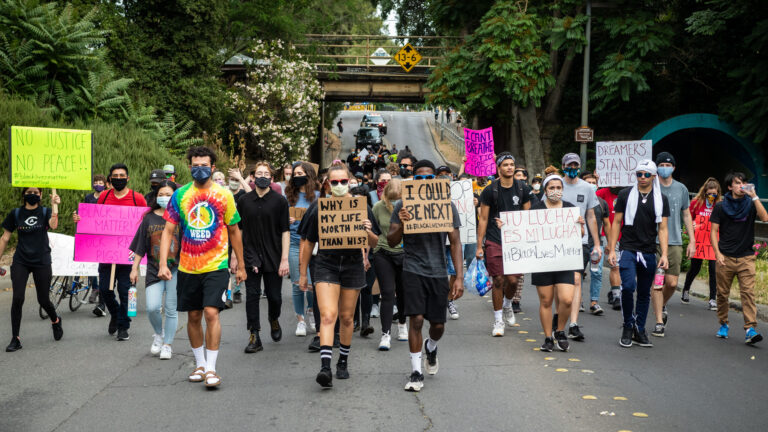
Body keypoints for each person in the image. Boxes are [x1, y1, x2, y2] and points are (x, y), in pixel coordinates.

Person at [158, 146, 246, 389]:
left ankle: (211, 368)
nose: (200, 170)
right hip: (187, 266)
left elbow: (235, 230)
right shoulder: (180, 195)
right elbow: (168, 230)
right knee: (194, 315)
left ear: (213, 167)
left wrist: (240, 264)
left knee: (211, 313)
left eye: (204, 166)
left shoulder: (224, 195)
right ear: (189, 167)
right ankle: (199, 363)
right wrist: (164, 262)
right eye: (195, 166)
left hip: (216, 265)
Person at [299, 164, 380, 388]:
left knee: (346, 318)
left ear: (350, 182)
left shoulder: (362, 207)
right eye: (334, 182)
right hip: (326, 264)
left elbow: (375, 242)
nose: (339, 186)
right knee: (327, 315)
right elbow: (307, 243)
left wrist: (367, 230)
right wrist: (304, 274)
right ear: (327, 184)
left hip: (353, 265)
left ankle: (342, 361)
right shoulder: (318, 208)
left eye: (343, 181)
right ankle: (325, 367)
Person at [388, 160, 464, 392]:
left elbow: (455, 242)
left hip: (438, 271)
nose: (423, 181)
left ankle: (431, 346)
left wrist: (458, 277)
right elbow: (391, 240)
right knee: (417, 319)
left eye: (428, 177)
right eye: (418, 177)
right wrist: (401, 222)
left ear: (435, 180)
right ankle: (416, 371)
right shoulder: (402, 204)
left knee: (438, 324)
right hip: (412, 268)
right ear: (412, 180)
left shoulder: (447, 206)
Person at [80, 163, 148, 341]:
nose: (119, 179)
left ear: (128, 178)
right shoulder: (103, 196)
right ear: (110, 179)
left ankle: (123, 327)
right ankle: (116, 314)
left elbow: (145, 224)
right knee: (105, 290)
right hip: (106, 255)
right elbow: (94, 220)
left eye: (122, 175)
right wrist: (80, 219)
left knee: (125, 291)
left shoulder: (137, 198)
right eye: (115, 176)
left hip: (128, 257)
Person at [607, 160, 669, 348]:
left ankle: (639, 329)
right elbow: (617, 222)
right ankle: (627, 325)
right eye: (639, 174)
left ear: (653, 176)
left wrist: (664, 254)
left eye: (646, 174)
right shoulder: (626, 194)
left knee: (644, 292)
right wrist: (611, 249)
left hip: (648, 250)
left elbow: (663, 228)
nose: (642, 178)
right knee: (627, 286)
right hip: (628, 248)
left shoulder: (660, 198)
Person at [237, 162, 291, 353]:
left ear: (271, 178)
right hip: (250, 255)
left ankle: (273, 318)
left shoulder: (280, 201)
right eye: (258, 173)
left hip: (273, 255)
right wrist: (237, 258)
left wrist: (284, 259)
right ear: (252, 178)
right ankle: (254, 334)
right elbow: (238, 230)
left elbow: (285, 231)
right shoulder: (244, 201)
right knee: (251, 296)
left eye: (265, 173)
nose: (261, 176)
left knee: (274, 297)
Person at [1, 188, 63, 352]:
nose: (33, 194)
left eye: (36, 192)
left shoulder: (44, 211)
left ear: (41, 195)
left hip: (42, 260)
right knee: (18, 298)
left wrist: (54, 206)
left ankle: (55, 320)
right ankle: (15, 338)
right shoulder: (15, 214)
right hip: (21, 261)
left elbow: (54, 225)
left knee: (43, 300)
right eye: (29, 191)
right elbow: (5, 238)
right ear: (23, 194)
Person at [476, 152, 530, 337]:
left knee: (513, 280)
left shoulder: (523, 189)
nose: (509, 167)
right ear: (498, 168)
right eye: (505, 164)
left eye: (512, 164)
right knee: (498, 279)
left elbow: (528, 217)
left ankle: (508, 304)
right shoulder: (490, 190)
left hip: (516, 242)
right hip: (495, 239)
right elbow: (483, 218)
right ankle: (498, 320)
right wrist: (478, 246)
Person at [710, 172, 768, 344]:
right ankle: (723, 324)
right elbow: (714, 231)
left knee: (748, 293)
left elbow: (765, 218)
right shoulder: (721, 206)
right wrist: (717, 253)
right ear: (730, 187)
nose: (741, 185)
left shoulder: (751, 204)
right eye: (737, 183)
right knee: (722, 294)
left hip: (746, 257)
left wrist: (755, 196)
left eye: (744, 182)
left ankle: (750, 329)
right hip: (725, 257)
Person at [531, 176, 584, 352]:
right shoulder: (536, 209)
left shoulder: (570, 209)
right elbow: (525, 232)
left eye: (558, 187)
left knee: (567, 299)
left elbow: (580, 234)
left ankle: (560, 330)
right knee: (546, 300)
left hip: (565, 261)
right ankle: (548, 337)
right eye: (551, 187)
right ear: (545, 190)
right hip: (543, 262)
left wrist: (581, 226)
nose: (555, 190)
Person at [129, 181, 180, 359]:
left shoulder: (181, 216)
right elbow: (140, 246)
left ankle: (167, 344)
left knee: (171, 309)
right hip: (153, 269)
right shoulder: (148, 218)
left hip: (176, 269)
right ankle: (159, 334)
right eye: (161, 194)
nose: (164, 198)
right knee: (152, 307)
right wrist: (134, 268)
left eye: (169, 194)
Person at [651, 152, 695, 337]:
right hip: (653, 242)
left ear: (674, 168)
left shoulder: (681, 189)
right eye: (661, 164)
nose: (665, 168)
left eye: (668, 165)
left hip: (675, 241)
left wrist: (692, 240)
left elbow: (686, 214)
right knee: (658, 283)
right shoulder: (651, 187)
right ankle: (659, 321)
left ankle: (662, 305)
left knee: (672, 283)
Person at [560, 153, 601, 341]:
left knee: (576, 280)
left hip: (580, 242)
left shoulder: (587, 188)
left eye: (576, 165)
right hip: (556, 243)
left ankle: (574, 324)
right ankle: (559, 318)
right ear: (563, 166)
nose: (573, 168)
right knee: (559, 285)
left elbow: (591, 215)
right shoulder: (555, 185)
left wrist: (597, 244)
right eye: (569, 165)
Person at [372, 179, 407, 349]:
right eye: (391, 198)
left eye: (397, 198)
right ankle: (385, 333)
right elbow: (373, 230)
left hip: (404, 254)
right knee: (387, 293)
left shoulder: (409, 206)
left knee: (402, 292)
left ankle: (402, 323)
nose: (394, 202)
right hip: (383, 252)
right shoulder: (378, 207)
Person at [285, 162, 319, 337]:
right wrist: (286, 220)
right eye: (295, 173)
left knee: (313, 285)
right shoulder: (288, 196)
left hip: (313, 247)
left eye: (301, 173)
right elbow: (279, 223)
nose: (297, 176)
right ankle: (300, 320)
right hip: (294, 244)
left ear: (309, 175)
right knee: (298, 284)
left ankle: (312, 311)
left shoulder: (319, 197)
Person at [681, 177, 722, 309]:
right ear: (704, 192)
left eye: (714, 194)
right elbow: (688, 217)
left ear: (718, 194)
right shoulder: (696, 203)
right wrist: (692, 226)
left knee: (713, 269)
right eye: (709, 194)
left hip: (713, 243)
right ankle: (686, 289)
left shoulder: (720, 205)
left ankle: (712, 299)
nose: (711, 196)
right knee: (695, 268)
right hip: (699, 241)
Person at [582, 173, 611, 315]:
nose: (592, 185)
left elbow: (607, 224)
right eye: (588, 182)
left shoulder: (601, 202)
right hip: (580, 244)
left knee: (597, 273)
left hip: (596, 244)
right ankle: (578, 300)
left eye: (594, 182)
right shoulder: (578, 201)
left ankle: (594, 302)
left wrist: (609, 244)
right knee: (578, 274)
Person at [596, 185, 623, 310]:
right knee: (615, 266)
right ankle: (617, 296)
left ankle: (614, 289)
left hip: (626, 235)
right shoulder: (601, 193)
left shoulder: (629, 193)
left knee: (624, 267)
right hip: (608, 235)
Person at [83, 174, 107, 312]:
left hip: (103, 234)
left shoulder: (107, 197)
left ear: (105, 184)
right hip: (91, 232)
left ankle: (102, 293)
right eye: (96, 182)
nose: (98, 184)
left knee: (101, 265)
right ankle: (95, 288)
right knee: (91, 263)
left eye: (100, 182)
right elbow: (85, 213)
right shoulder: (88, 197)